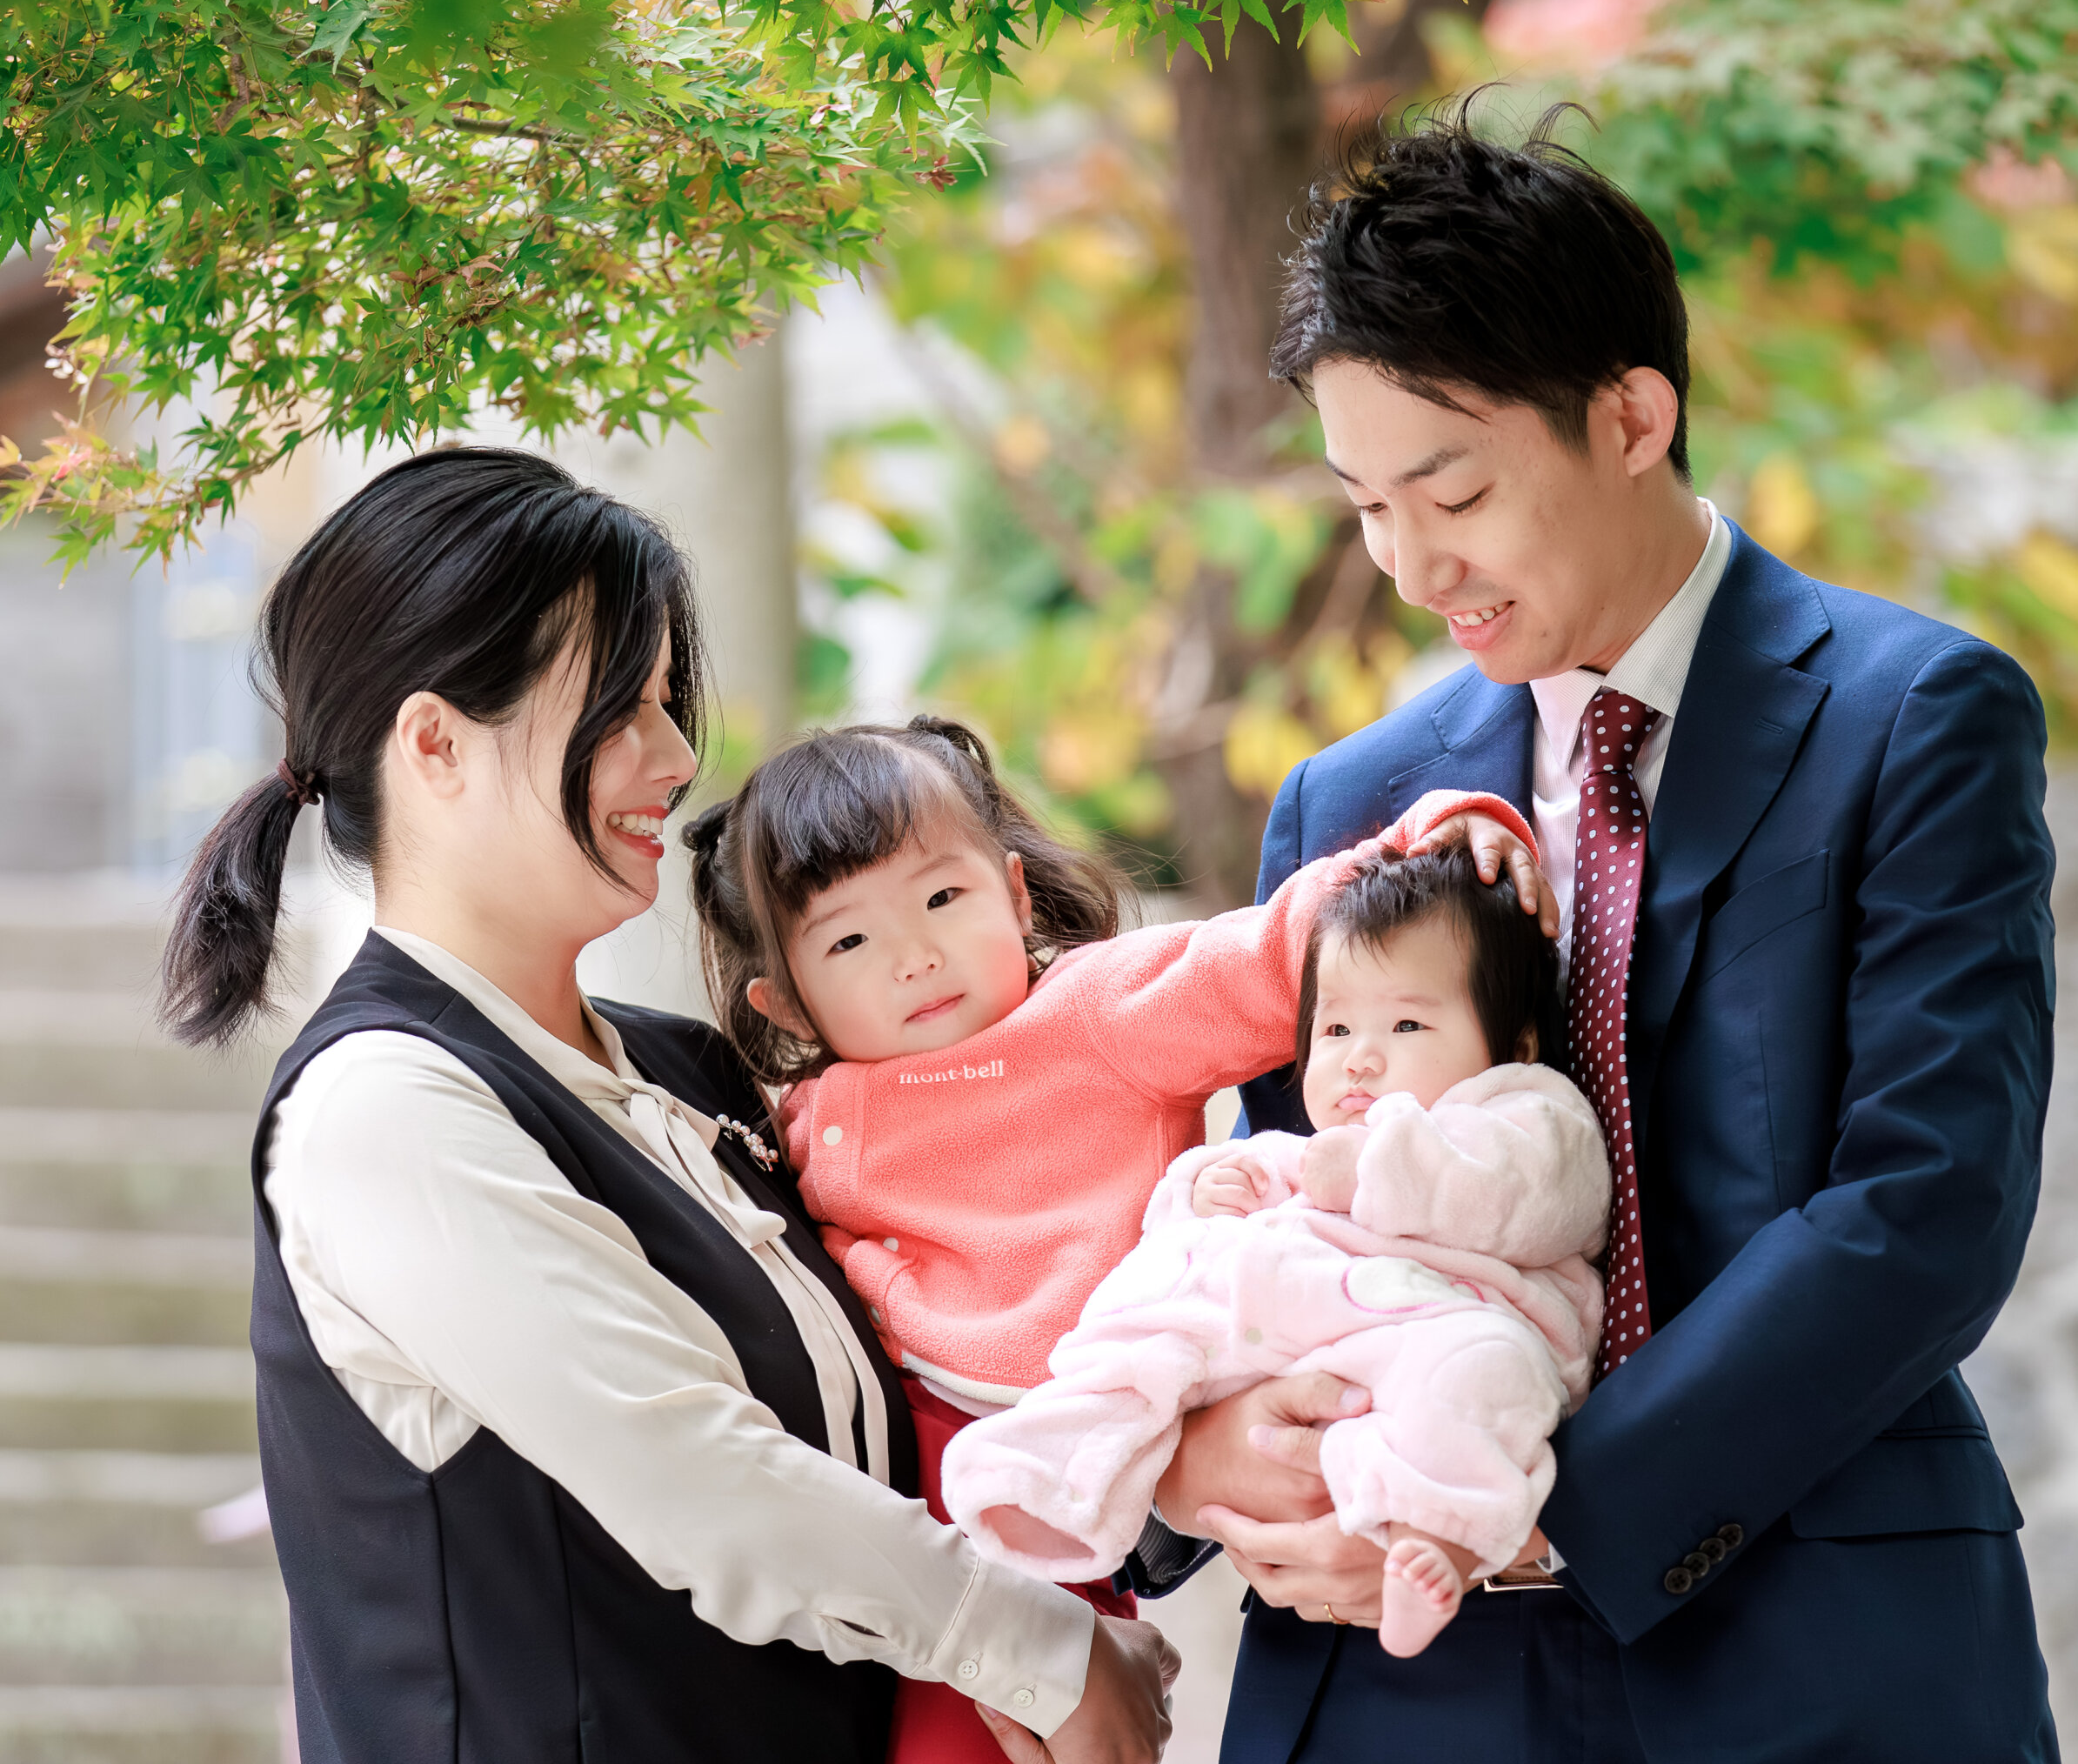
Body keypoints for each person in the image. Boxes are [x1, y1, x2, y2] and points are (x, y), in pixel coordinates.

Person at [1153, 114, 2060, 1761]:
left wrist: (1545, 1505)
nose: (1415, 566)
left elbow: (1929, 1198)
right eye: (1364, 506)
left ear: (1632, 414)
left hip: (1806, 1633)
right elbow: (1280, 1194)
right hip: (1401, 1666)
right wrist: (1202, 1443)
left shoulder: (1915, 716)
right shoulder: (1346, 797)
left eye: (1456, 488)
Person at [160, 447, 1179, 1764]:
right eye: (621, 709)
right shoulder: (385, 1109)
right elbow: (699, 1477)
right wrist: (1039, 1651)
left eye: (666, 703)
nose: (677, 756)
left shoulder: (689, 1075)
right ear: (434, 744)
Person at [683, 719, 1537, 1760]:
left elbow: (1277, 954)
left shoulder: (1100, 1010)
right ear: (787, 999)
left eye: (942, 898)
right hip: (902, 1452)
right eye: (849, 941)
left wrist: (1427, 842)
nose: (913, 956)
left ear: (1014, 892)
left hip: (1098, 1417)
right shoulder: (814, 1114)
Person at [941, 844, 1610, 1660]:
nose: (1360, 1055)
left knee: (1485, 1376)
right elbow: (1244, 1185)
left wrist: (1379, 1164)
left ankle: (1441, 1539)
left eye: (1406, 1023)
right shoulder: (1311, 1144)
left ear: (1519, 1041)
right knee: (1153, 1302)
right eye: (1335, 1026)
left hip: (1444, 1329)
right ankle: (1059, 1463)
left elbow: (1534, 1195)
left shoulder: (1525, 1110)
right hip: (1297, 1337)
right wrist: (1204, 1192)